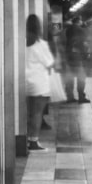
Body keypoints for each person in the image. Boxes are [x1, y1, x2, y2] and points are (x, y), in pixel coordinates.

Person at [25, 13, 55, 151]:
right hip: (39, 83)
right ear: (38, 27)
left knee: (30, 113)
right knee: (37, 114)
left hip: (25, 82)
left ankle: (27, 139)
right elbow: (49, 63)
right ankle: (34, 141)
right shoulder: (40, 44)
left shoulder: (23, 42)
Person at [63, 15, 92, 103]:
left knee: (70, 77)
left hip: (68, 56)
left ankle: (70, 97)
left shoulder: (68, 30)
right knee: (81, 77)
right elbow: (83, 43)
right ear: (79, 21)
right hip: (77, 57)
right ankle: (81, 97)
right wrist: (86, 54)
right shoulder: (80, 30)